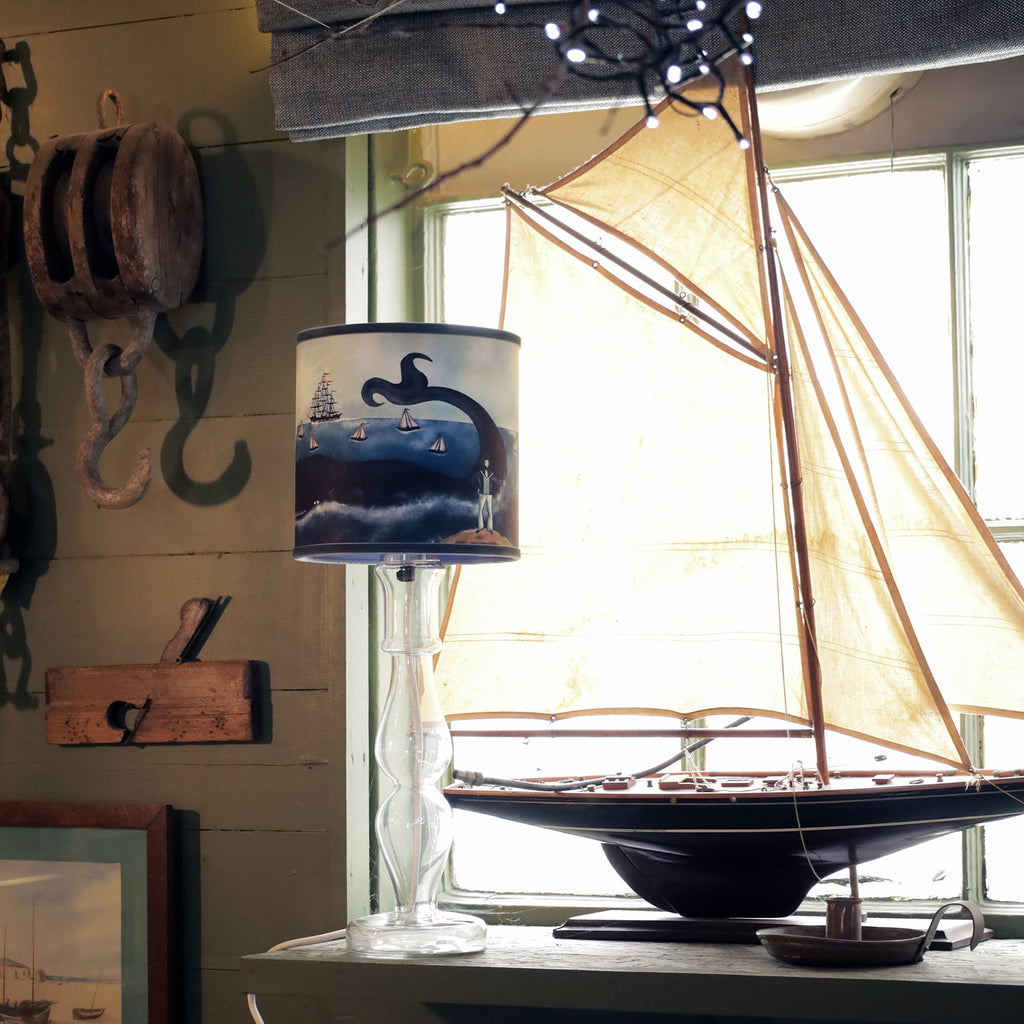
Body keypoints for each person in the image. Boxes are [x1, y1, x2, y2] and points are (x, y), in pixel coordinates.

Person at [474, 458, 497, 532]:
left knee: (490, 511)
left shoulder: (491, 474)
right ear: (483, 464)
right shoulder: (480, 473)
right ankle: (480, 527)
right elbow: (474, 480)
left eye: (487, 463)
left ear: (489, 464)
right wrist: (478, 488)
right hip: (482, 494)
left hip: (489, 494)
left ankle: (490, 528)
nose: (486, 464)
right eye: (485, 463)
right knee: (480, 510)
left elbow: (495, 481)